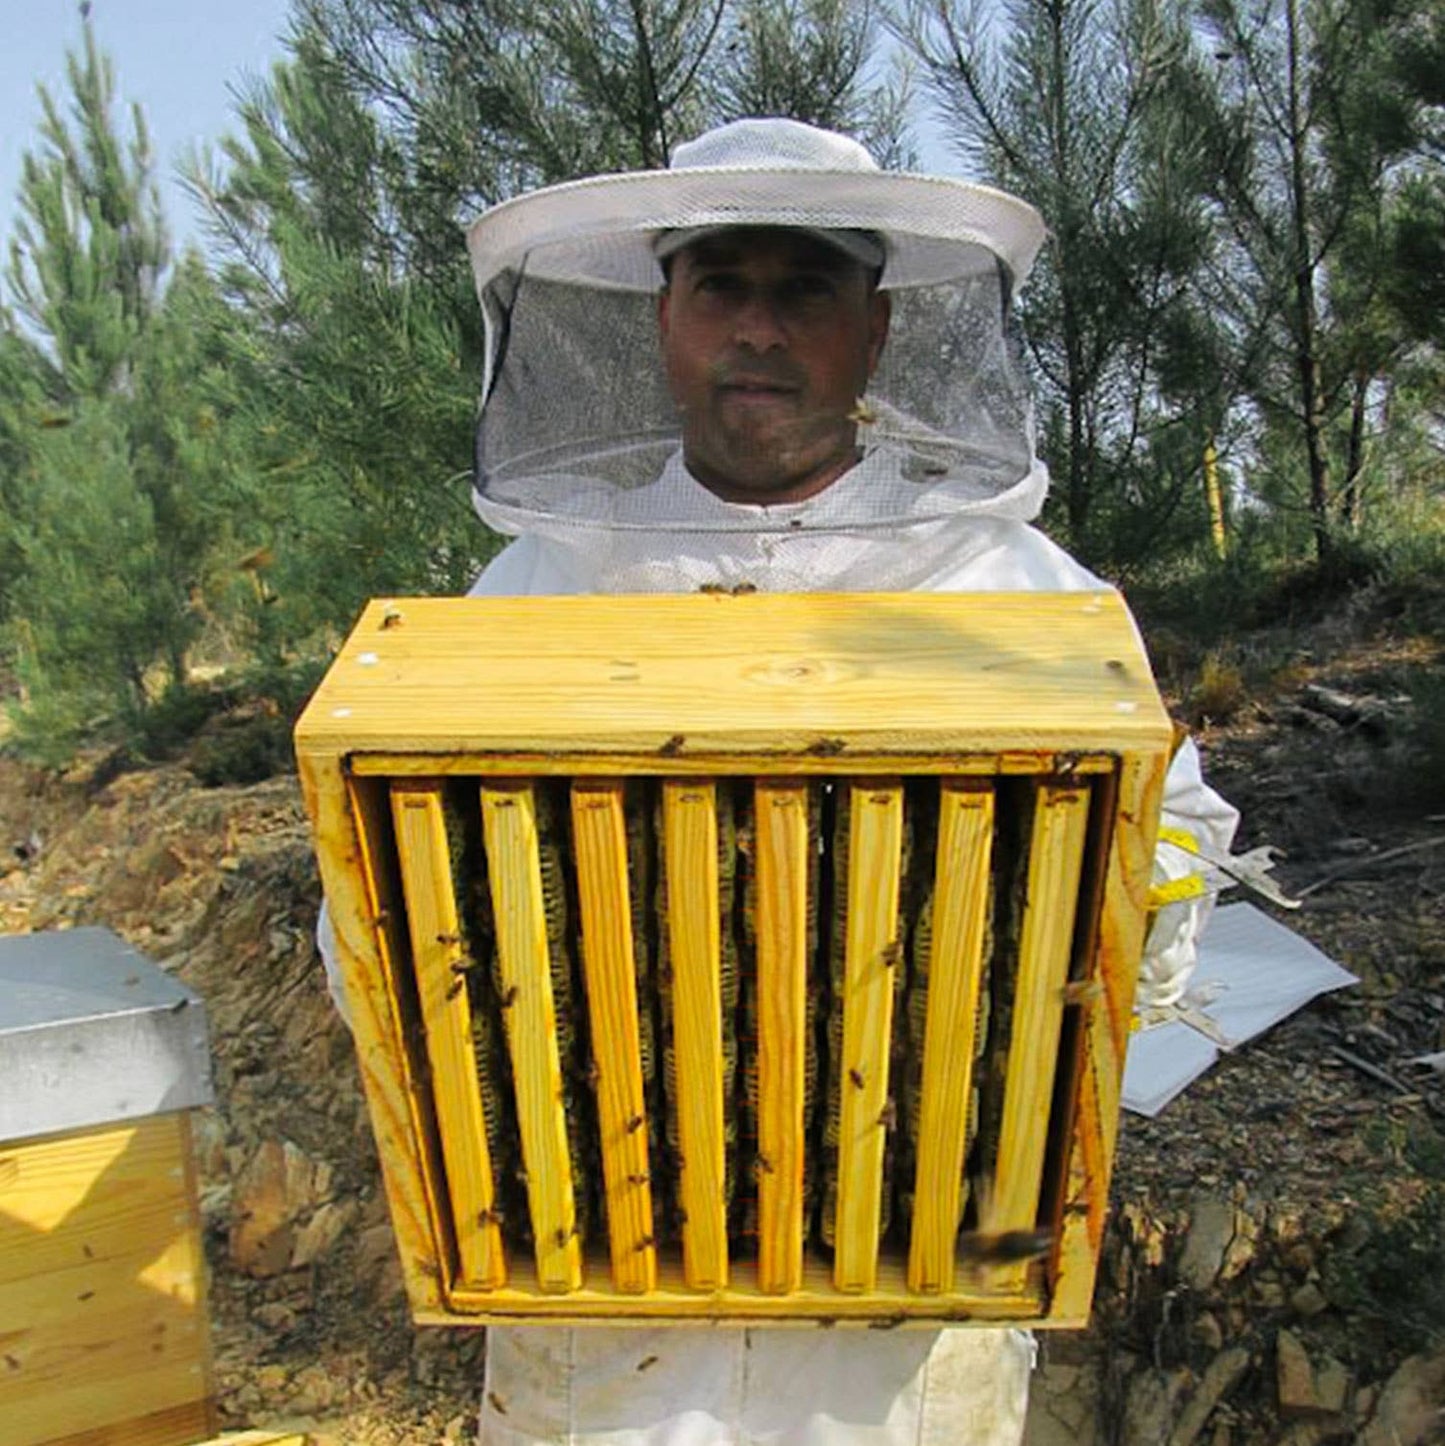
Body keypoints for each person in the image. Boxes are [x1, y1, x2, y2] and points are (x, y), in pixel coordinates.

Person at [323, 117, 1238, 1445]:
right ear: (664, 321)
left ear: (872, 330)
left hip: (901, 1332)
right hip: (603, 1322)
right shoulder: (542, 591)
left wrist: (1120, 911)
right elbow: (377, 913)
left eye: (802, 285)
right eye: (722, 286)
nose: (758, 326)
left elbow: (1173, 851)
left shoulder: (1011, 592)